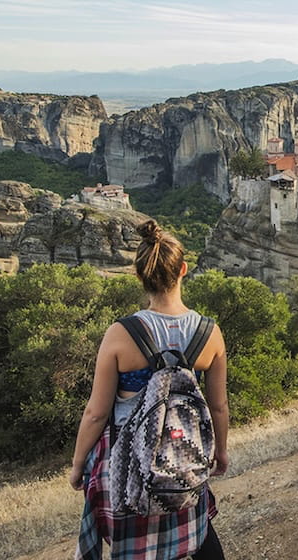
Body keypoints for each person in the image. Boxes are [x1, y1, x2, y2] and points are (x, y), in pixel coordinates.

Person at [70, 220, 230, 559]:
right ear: (184, 269)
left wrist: (77, 463)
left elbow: (96, 412)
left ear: (139, 275)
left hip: (127, 470)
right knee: (199, 540)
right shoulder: (209, 333)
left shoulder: (121, 333)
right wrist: (222, 452)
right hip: (182, 459)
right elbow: (218, 407)